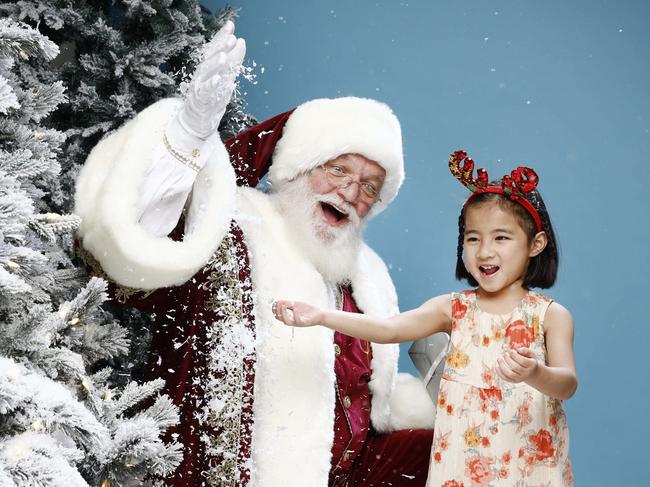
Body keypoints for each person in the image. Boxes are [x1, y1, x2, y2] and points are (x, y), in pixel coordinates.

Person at [74, 21, 435, 487]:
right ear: (298, 168)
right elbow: (128, 261)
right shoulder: (232, 226)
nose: (351, 191)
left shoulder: (369, 281)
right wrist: (185, 140)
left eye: (370, 185)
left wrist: (460, 414)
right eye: (339, 168)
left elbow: (364, 426)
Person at [274, 151, 577, 486]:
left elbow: (566, 384)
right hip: (463, 464)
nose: (484, 251)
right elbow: (389, 329)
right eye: (473, 238)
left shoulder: (550, 316)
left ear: (535, 244)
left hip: (528, 463)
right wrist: (321, 316)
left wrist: (535, 372)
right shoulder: (453, 308)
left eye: (501, 238)